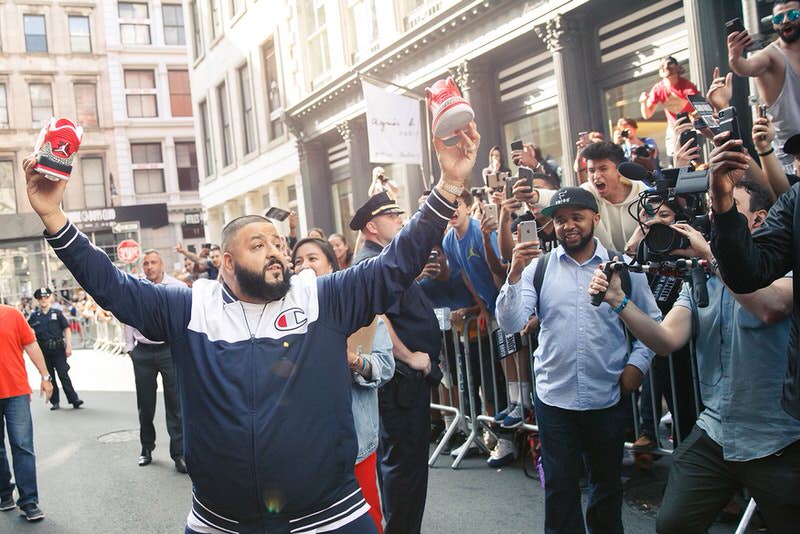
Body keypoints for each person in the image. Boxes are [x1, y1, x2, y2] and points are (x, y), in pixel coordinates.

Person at [21, 120, 477, 533]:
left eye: (278, 242)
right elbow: (112, 286)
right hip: (219, 524)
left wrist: (451, 182)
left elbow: (397, 264)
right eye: (258, 244)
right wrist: (54, 218)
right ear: (225, 262)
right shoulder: (190, 309)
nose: (276, 251)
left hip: (330, 519)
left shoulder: (323, 297)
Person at [590, 178, 800, 533]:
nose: (717, 220)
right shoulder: (702, 279)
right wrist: (618, 301)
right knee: (673, 524)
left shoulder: (786, 269)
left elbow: (770, 307)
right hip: (717, 432)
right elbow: (665, 340)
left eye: (729, 209)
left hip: (779, 440)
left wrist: (711, 256)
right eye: (715, 211)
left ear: (760, 219)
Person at [496, 186, 660, 534]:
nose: (567, 226)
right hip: (555, 399)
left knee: (606, 487)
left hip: (606, 397)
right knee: (560, 489)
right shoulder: (537, 269)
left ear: (595, 219)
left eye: (576, 218)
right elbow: (511, 324)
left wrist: (636, 366)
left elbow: (653, 322)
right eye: (559, 220)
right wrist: (513, 273)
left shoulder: (624, 268)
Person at [349, 191, 444, 534]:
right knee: (405, 471)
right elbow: (378, 319)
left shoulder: (382, 257)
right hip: (401, 377)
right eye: (393, 217)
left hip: (405, 380)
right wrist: (409, 356)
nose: (401, 221)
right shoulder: (369, 261)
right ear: (372, 226)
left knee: (404, 469)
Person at [292, 237, 394, 533]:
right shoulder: (283, 318)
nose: (304, 266)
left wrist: (352, 360)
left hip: (356, 441)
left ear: (332, 266)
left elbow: (384, 368)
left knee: (365, 517)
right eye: (298, 261)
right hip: (304, 442)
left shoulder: (363, 313)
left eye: (312, 258)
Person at [123, 250, 188, 473]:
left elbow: (188, 317)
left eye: (154, 262)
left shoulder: (177, 287)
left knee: (176, 403)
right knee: (146, 404)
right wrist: (130, 347)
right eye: (146, 263)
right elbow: (127, 317)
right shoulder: (137, 289)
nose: (149, 267)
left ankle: (179, 453)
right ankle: (146, 448)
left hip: (170, 349)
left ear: (162, 265)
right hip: (143, 353)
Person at [527, 142, 650, 252]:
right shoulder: (588, 191)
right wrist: (534, 195)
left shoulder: (642, 193)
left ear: (619, 170)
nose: (596, 176)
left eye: (603, 169)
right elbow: (562, 198)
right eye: (591, 170)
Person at [728, 0, 800, 170]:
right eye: (778, 18)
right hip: (789, 164)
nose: (784, 21)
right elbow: (746, 67)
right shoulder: (771, 55)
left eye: (792, 15)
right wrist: (735, 58)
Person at [0, 302, 53, 521]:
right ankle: (4, 493)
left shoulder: (12, 314)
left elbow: (31, 345)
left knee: (22, 446)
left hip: (16, 392)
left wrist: (45, 376)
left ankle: (29, 501)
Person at [28, 287, 82, 411]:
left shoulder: (57, 313)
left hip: (58, 350)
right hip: (44, 351)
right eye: (40, 298)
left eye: (45, 297)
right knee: (49, 376)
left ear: (50, 298)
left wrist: (69, 345)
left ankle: (73, 399)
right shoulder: (34, 316)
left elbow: (67, 328)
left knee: (63, 374)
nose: (43, 300)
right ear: (37, 300)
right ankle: (55, 401)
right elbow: (27, 331)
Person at [640, 56, 700, 156]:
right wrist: (643, 102)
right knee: (675, 158)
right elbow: (647, 115)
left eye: (669, 63)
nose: (666, 67)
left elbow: (700, 107)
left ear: (677, 67)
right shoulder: (658, 89)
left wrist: (694, 118)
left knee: (694, 156)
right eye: (662, 66)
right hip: (674, 129)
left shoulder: (687, 86)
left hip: (691, 126)